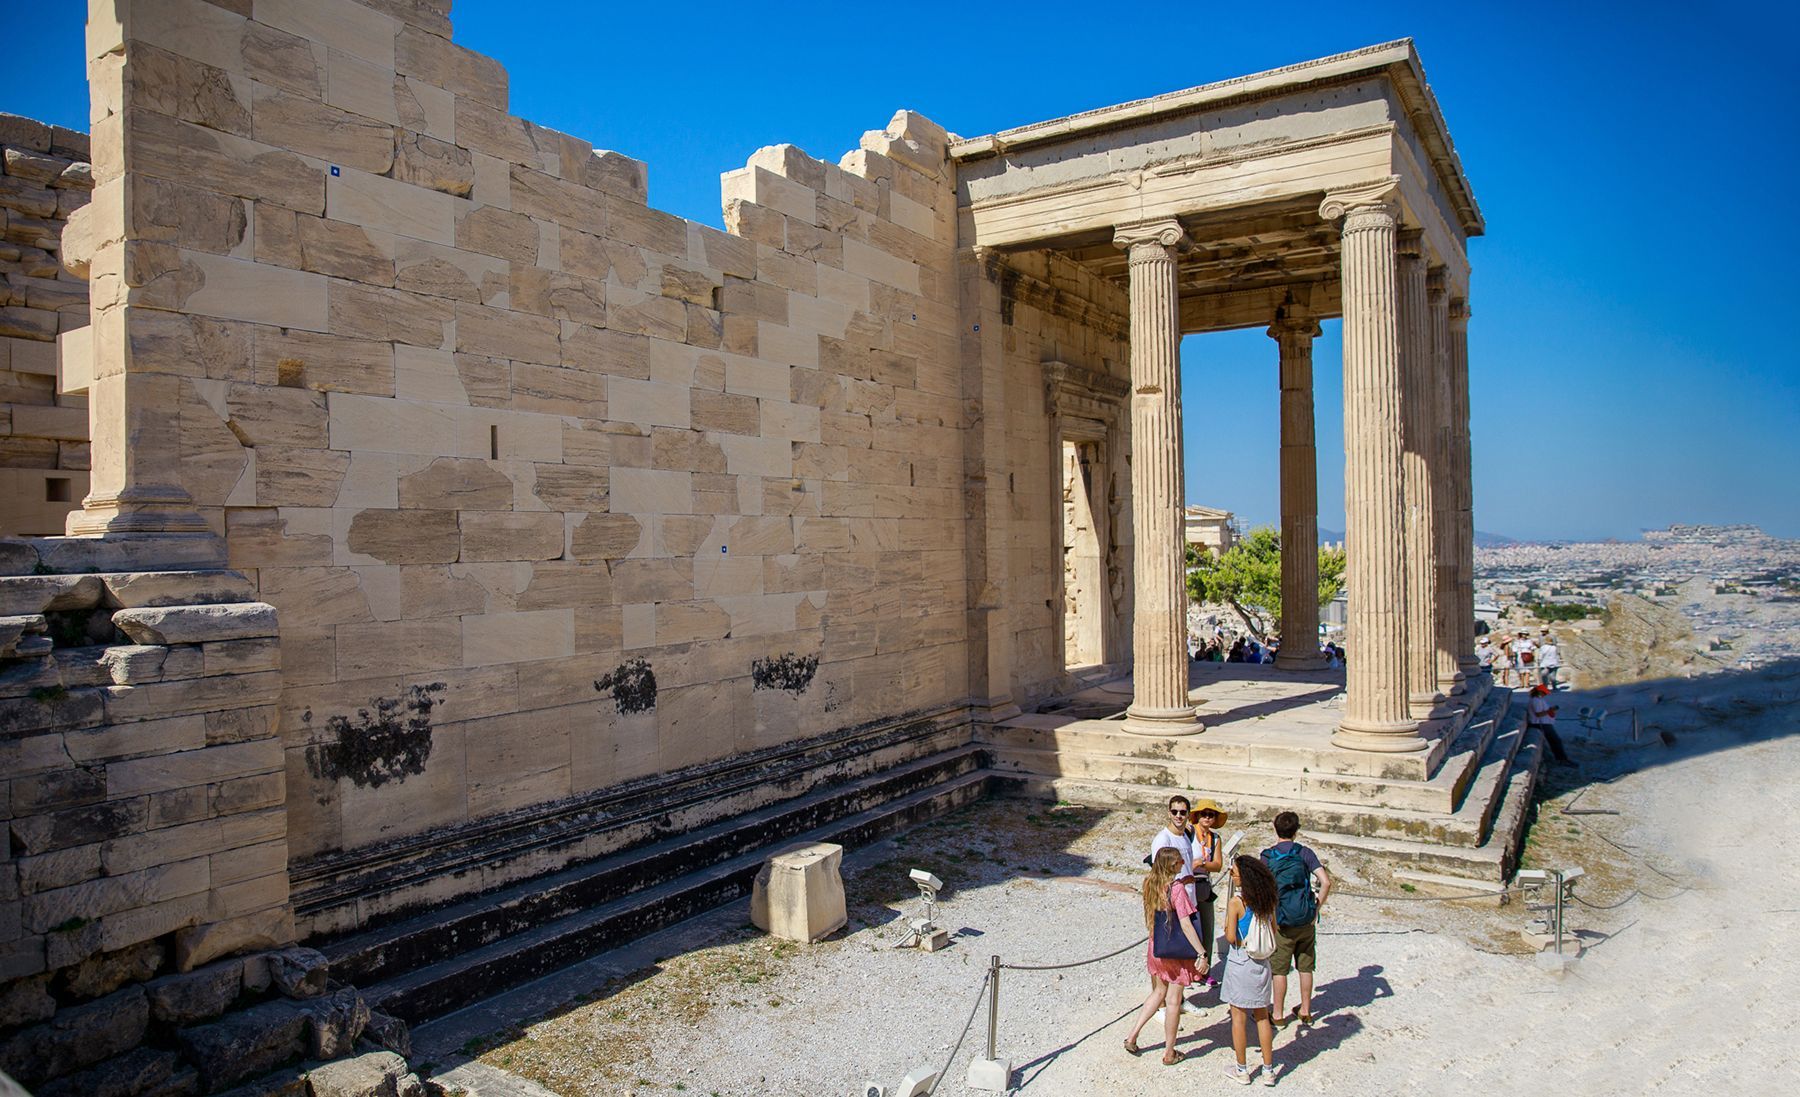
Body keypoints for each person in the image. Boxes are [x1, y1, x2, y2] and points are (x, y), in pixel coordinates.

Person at [1125, 847, 1209, 1065]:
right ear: (1173, 865)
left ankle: (1132, 1035)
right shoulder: (1177, 889)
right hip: (1176, 951)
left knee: (1158, 992)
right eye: (1180, 862)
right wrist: (1201, 952)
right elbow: (1185, 923)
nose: (1183, 864)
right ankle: (1169, 1052)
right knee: (1173, 1000)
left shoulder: (1150, 883)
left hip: (1157, 946)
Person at [1260, 812, 1329, 1028]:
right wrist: (1316, 908)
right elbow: (1325, 882)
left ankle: (1278, 1014)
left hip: (1281, 920)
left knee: (1280, 970)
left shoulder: (1268, 856)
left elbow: (1263, 888)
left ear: (1275, 828)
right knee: (1305, 966)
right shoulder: (1305, 853)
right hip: (1305, 918)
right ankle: (1306, 1011)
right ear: (1296, 830)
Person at [1221, 855, 1279, 1086]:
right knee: (1262, 1016)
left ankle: (1242, 1069)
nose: (1232, 875)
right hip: (1261, 962)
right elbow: (1274, 930)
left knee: (1238, 1017)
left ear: (1243, 876)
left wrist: (1227, 924)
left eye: (1234, 872)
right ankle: (1268, 1070)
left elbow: (1230, 937)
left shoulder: (1237, 902)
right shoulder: (1268, 901)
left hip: (1241, 960)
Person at [1189, 799, 1228, 990]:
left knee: (1206, 928)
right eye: (1204, 814)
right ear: (1197, 816)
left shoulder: (1215, 838)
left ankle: (1204, 971)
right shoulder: (1188, 833)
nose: (1207, 817)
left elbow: (1218, 865)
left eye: (1210, 815)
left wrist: (1200, 863)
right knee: (1187, 927)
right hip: (1187, 884)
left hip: (1203, 885)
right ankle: (1186, 970)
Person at [1526, 683, 1572, 763]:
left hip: (1544, 723)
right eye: (1544, 693)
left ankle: (1561, 758)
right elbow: (1539, 714)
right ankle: (1562, 759)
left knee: (1555, 740)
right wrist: (1550, 710)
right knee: (1555, 740)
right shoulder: (1536, 701)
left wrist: (1550, 710)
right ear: (1540, 692)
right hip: (1541, 723)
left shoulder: (1538, 700)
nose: (1545, 695)